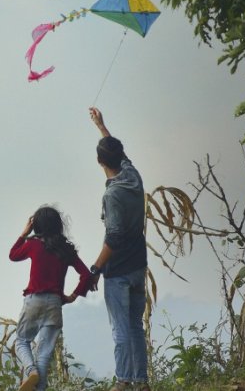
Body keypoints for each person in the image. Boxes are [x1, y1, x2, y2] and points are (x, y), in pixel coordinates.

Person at [87, 107, 149, 391]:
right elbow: (120, 156)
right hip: (139, 267)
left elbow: (113, 237)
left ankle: (123, 381)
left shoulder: (112, 195)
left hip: (120, 270)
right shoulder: (133, 177)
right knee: (136, 326)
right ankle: (142, 382)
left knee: (121, 330)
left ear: (100, 161)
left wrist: (96, 268)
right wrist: (102, 127)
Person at [9, 205, 92, 391]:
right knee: (44, 355)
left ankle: (30, 371)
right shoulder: (65, 249)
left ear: (36, 226)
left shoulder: (33, 244)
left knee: (22, 341)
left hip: (34, 300)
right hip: (55, 304)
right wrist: (72, 296)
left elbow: (12, 255)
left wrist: (24, 233)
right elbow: (86, 275)